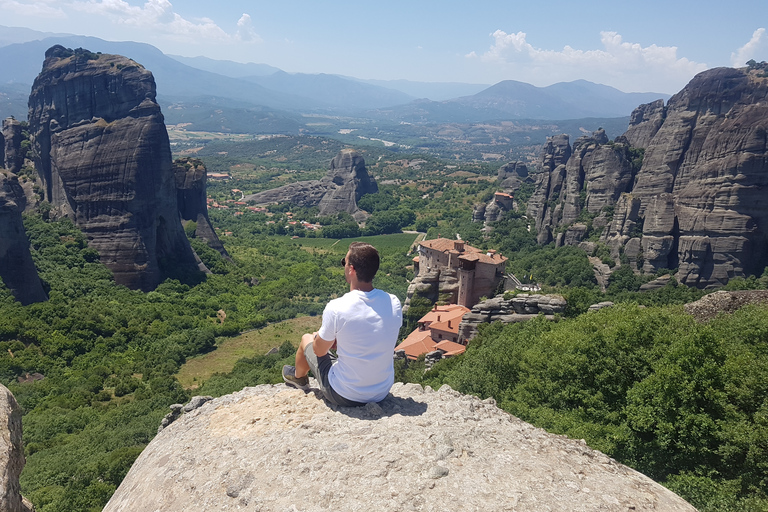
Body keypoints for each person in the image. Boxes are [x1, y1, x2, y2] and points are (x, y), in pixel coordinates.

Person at [282, 242, 402, 406]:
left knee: (307, 339)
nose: (344, 266)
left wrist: (322, 338)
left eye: (344, 262)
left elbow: (319, 350)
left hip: (344, 394)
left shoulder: (337, 307)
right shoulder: (393, 302)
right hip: (381, 392)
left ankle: (299, 378)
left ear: (351, 269)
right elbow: (374, 334)